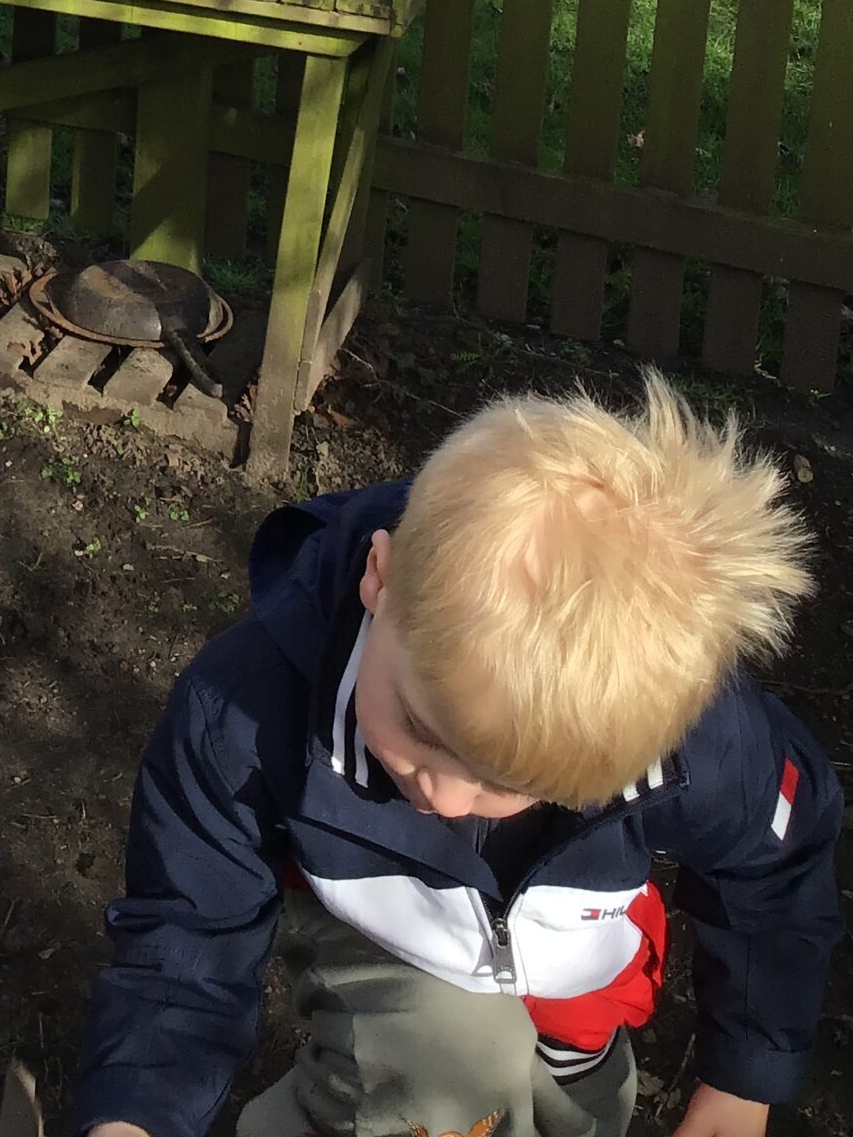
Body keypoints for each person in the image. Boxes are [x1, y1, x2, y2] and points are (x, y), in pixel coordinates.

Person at [73, 377, 842, 1137]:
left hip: (574, 955)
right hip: (381, 916)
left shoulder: (696, 739)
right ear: (379, 577)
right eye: (418, 726)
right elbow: (188, 935)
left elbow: (774, 871)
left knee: (574, 1101)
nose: (440, 796)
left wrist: (745, 1076)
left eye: (512, 784)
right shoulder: (243, 713)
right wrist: (136, 1114)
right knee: (444, 1072)